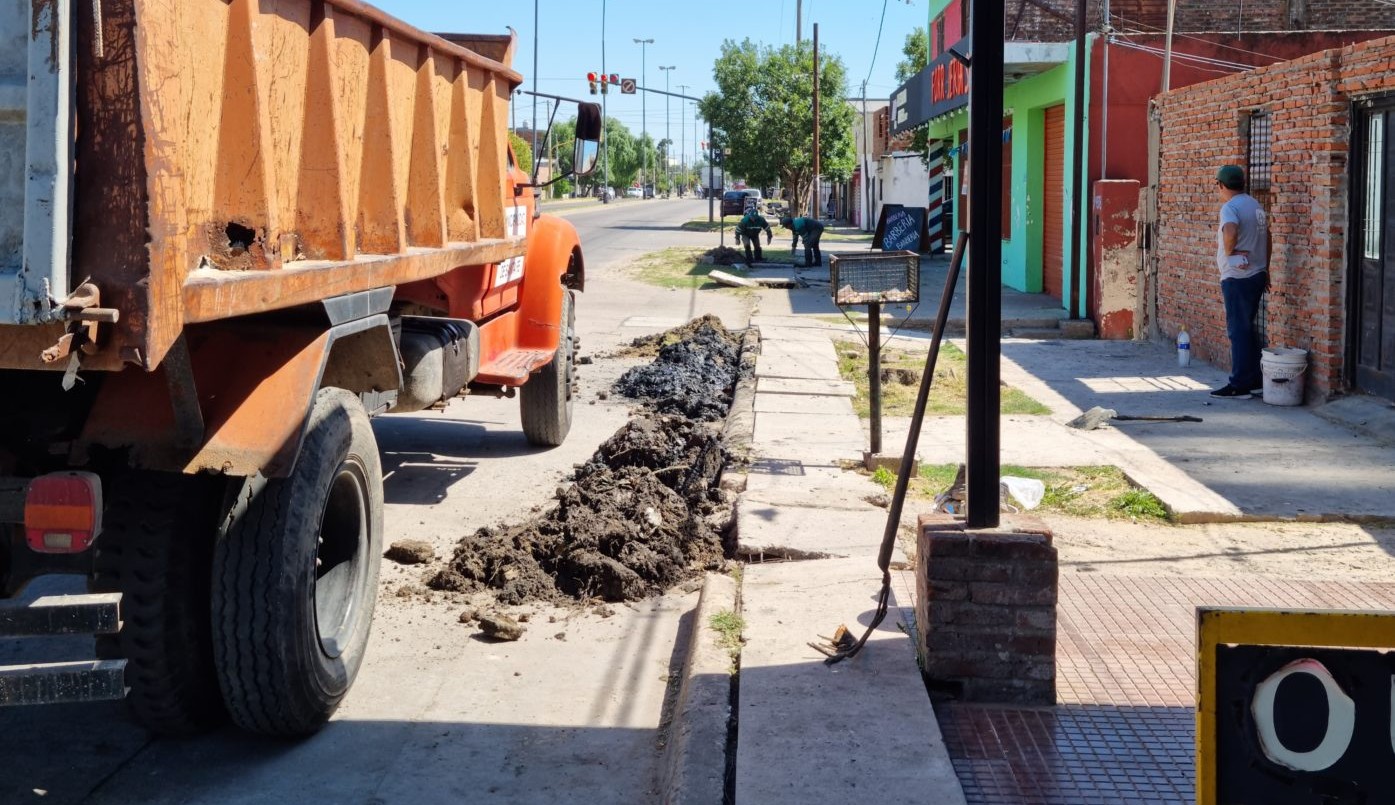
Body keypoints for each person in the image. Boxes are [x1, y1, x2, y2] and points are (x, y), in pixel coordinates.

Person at [1210, 164, 1270, 399]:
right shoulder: (1255, 205)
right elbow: (1269, 237)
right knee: (1247, 328)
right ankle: (1254, 378)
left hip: (1238, 277)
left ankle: (1239, 383)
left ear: (1222, 185)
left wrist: (1229, 253)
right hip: (1257, 274)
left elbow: (1231, 232)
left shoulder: (1230, 207)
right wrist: (1266, 267)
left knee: (1237, 330)